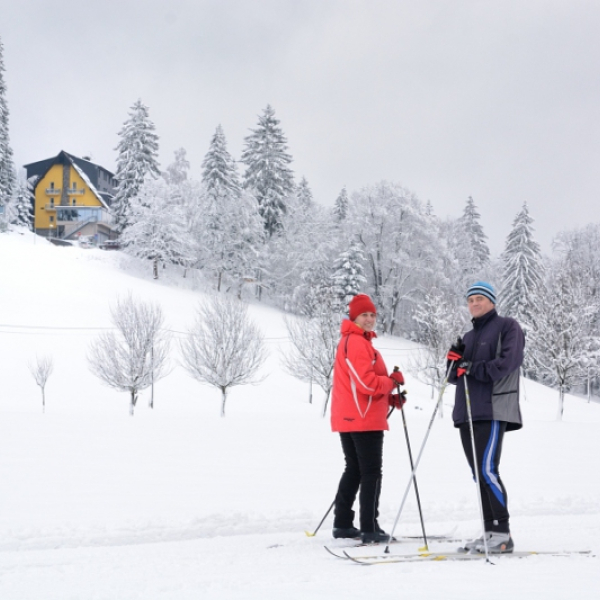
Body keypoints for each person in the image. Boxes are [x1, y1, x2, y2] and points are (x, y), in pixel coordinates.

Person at [447, 281, 525, 554]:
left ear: (491, 301)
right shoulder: (467, 337)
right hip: (466, 412)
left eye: (479, 298)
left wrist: (470, 366)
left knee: (488, 470)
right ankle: (489, 531)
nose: (474, 304)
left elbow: (507, 363)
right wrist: (453, 361)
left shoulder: (508, 326)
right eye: (470, 300)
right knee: (478, 473)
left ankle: (503, 534)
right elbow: (452, 378)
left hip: (492, 408)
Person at [330, 293, 406, 544]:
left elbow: (363, 386)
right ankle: (370, 527)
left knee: (354, 469)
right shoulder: (356, 342)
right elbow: (366, 383)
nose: (369, 319)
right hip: (362, 419)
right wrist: (391, 381)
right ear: (353, 317)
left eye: (372, 315)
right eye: (364, 314)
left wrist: (391, 397)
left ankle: (342, 523)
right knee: (371, 471)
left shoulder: (356, 341)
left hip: (353, 415)